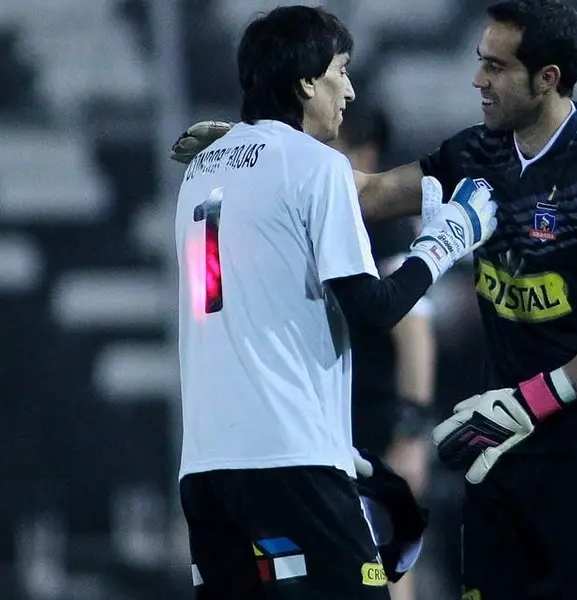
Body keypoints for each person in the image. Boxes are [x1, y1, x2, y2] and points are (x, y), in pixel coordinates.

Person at [169, 1, 577, 597]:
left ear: (548, 79)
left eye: (497, 67)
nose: (478, 79)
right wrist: (255, 142)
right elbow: (368, 192)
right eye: (480, 61)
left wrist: (537, 398)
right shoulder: (475, 155)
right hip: (498, 442)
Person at [170, 6, 496, 599]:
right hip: (292, 463)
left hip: (207, 469)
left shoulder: (198, 173)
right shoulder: (318, 168)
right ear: (304, 83)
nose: (348, 90)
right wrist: (446, 241)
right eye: (339, 72)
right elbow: (373, 307)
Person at [330, 104, 439, 600]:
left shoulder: (383, 225)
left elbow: (414, 330)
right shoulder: (334, 218)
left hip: (377, 425)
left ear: (364, 153)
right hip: (340, 420)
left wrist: (412, 431)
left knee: (386, 562)